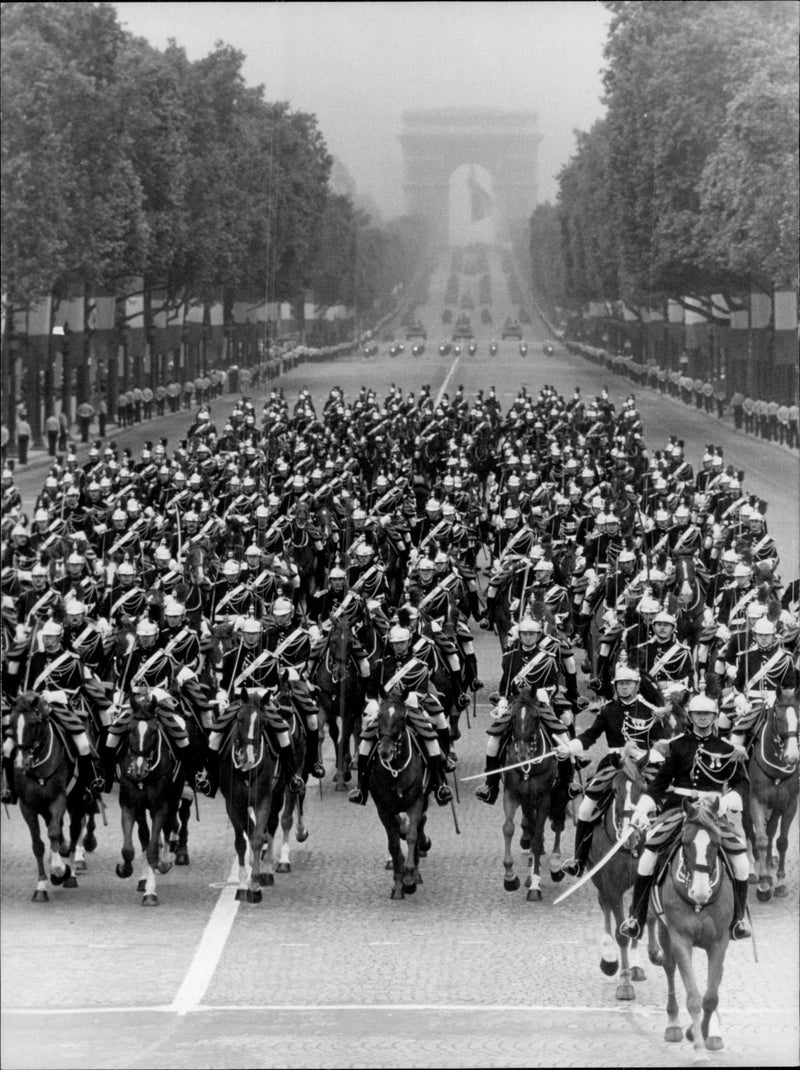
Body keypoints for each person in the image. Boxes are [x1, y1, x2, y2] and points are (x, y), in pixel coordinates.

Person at [618, 692, 751, 942]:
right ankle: (636, 916)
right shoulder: (677, 745)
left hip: (713, 812)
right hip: (679, 809)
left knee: (742, 862)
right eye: (698, 714)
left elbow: (741, 786)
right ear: (690, 716)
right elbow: (659, 784)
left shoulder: (727, 750)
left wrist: (723, 802)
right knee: (648, 856)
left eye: (707, 714)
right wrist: (641, 810)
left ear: (714, 717)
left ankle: (738, 920)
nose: (703, 718)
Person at [555, 660, 668, 878]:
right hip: (614, 764)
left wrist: (641, 755)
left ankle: (665, 856)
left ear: (636, 686)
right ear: (616, 687)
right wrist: (568, 748)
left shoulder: (651, 711)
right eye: (620, 684)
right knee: (586, 809)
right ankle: (579, 859)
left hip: (645, 764)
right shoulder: (608, 711)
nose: (624, 687)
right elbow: (590, 736)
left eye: (628, 684)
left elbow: (661, 745)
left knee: (665, 802)